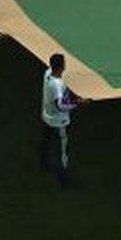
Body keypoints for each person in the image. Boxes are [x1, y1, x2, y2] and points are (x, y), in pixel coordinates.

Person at [38, 53, 83, 185]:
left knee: (45, 143)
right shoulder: (57, 85)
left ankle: (43, 164)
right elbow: (61, 105)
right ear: (62, 66)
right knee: (62, 150)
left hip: (46, 116)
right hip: (58, 122)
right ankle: (64, 177)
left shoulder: (47, 74)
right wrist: (78, 103)